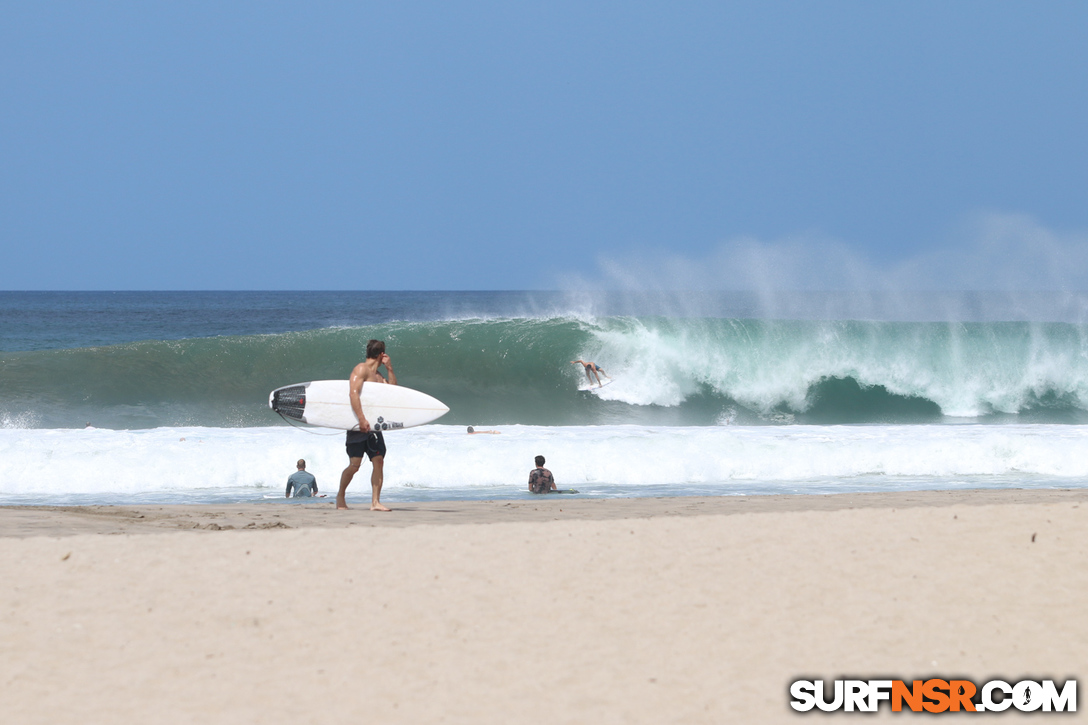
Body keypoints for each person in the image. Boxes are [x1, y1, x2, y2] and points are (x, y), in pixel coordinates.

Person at [338, 339, 396, 511]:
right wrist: (362, 419)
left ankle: (375, 502)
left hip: (374, 427)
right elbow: (353, 394)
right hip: (358, 424)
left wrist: (390, 368)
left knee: (378, 461)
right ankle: (340, 496)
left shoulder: (379, 376)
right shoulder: (360, 369)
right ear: (381, 354)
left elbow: (394, 392)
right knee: (355, 465)